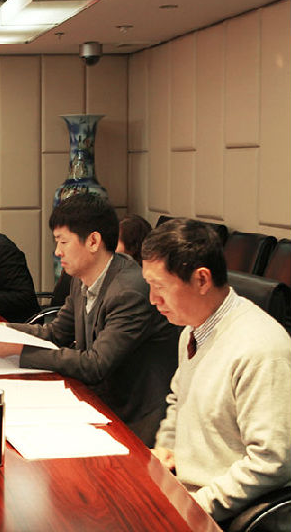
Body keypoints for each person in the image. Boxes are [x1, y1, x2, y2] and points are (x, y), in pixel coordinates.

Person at [0, 194, 179, 446]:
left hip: (134, 419)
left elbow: (95, 364)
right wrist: (1, 330)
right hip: (98, 401)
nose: (57, 252)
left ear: (93, 241)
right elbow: (56, 332)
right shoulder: (81, 278)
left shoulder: (129, 290)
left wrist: (20, 350)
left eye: (63, 242)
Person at [142, 218, 291, 523]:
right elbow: (178, 400)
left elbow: (271, 460)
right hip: (184, 489)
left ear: (201, 280)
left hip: (223, 510)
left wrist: (196, 507)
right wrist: (166, 449)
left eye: (160, 287)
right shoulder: (192, 329)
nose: (153, 299)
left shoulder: (261, 348)